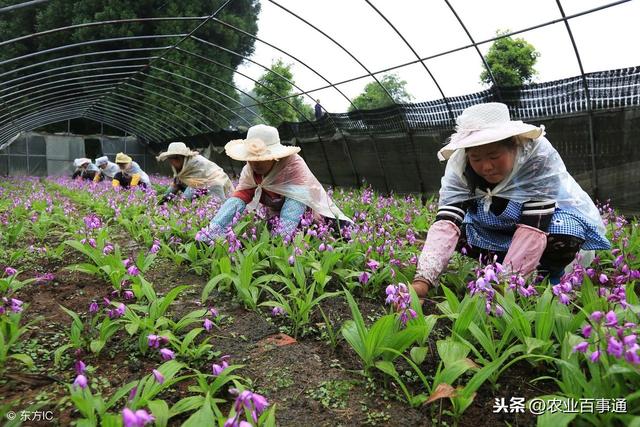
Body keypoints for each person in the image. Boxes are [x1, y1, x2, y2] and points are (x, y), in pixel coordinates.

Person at [411, 102, 611, 300]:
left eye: (494, 156)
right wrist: (422, 281)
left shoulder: (537, 161)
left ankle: (547, 273)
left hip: (539, 231)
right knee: (458, 235)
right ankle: (498, 265)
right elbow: (446, 222)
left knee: (568, 233)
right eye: (476, 159)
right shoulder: (460, 169)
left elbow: (534, 228)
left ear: (514, 146)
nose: (486, 166)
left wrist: (505, 285)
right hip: (494, 232)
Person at [196, 124, 351, 244]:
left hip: (307, 213)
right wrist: (212, 229)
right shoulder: (249, 171)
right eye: (251, 158)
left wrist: (281, 239)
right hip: (276, 214)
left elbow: (297, 200)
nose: (255, 164)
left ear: (275, 156)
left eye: (262, 159)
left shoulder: (293, 165)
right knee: (268, 230)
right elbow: (238, 198)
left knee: (329, 228)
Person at [156, 142, 234, 204]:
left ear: (181, 157)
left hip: (215, 182)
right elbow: (176, 185)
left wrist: (182, 204)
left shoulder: (196, 163)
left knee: (216, 204)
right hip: (200, 186)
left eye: (173, 159)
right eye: (169, 159)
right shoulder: (180, 166)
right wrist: (162, 201)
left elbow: (193, 187)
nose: (171, 162)